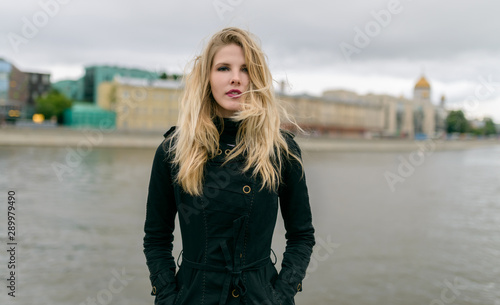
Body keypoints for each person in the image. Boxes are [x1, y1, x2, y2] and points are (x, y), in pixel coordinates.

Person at [143, 27, 315, 305]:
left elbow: (301, 235)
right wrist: (167, 297)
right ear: (207, 77)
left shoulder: (280, 150)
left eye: (245, 69)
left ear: (256, 78)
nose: (235, 78)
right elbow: (156, 238)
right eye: (223, 68)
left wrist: (281, 295)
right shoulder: (174, 150)